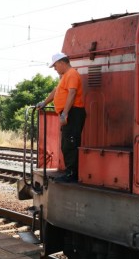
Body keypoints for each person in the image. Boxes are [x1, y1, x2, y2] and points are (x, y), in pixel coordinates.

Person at [36, 52, 86, 182]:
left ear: (62, 63)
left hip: (73, 113)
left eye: (55, 65)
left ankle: (72, 174)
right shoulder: (64, 76)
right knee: (66, 143)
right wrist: (44, 103)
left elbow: (72, 93)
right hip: (70, 112)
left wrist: (65, 113)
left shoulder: (72, 74)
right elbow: (56, 91)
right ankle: (71, 172)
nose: (54, 68)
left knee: (70, 143)